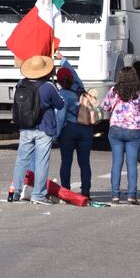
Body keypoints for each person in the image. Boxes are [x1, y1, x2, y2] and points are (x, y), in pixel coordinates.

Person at [10, 55, 64, 204]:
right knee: (41, 162)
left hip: (25, 127)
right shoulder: (48, 86)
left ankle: (14, 192)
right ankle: (38, 195)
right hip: (44, 128)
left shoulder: (21, 84)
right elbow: (60, 105)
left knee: (21, 160)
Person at [102, 67, 140, 204]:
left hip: (116, 130)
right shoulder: (139, 93)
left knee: (117, 163)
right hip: (134, 131)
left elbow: (104, 106)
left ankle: (115, 195)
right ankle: (131, 195)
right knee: (131, 164)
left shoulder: (114, 91)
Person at [55, 56, 92, 198]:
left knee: (66, 162)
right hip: (86, 129)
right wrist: (62, 59)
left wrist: (56, 135)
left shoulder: (62, 95)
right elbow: (73, 73)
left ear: (58, 81)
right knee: (84, 163)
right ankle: (86, 192)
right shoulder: (79, 87)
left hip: (69, 130)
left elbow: (60, 117)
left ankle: (66, 190)